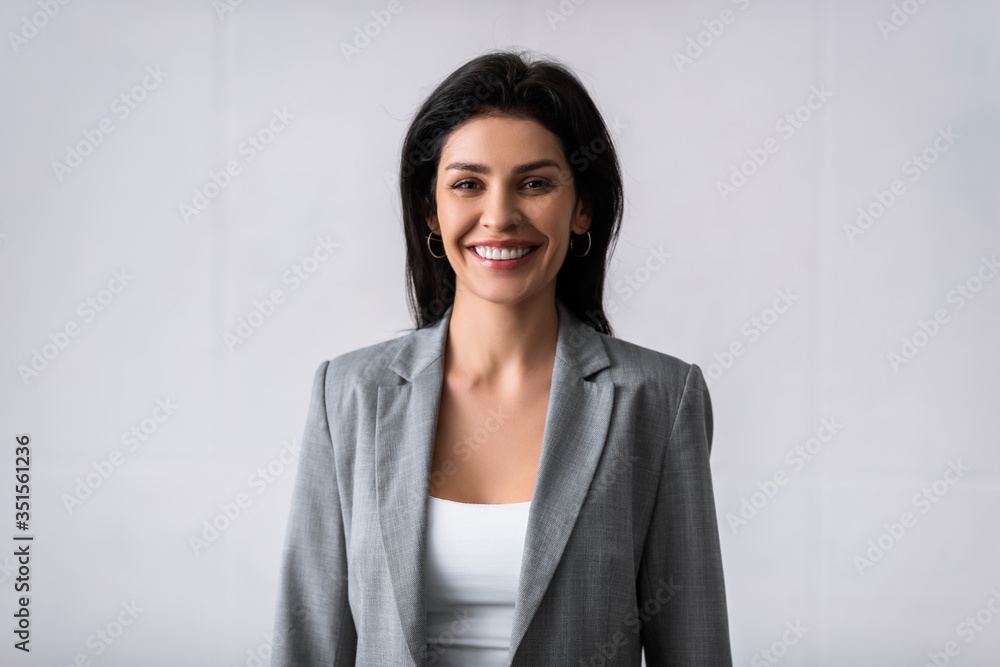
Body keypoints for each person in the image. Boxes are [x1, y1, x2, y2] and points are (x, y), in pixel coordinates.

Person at [271, 49, 733, 666]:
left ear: (583, 208)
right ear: (431, 211)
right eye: (468, 184)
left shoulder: (658, 399)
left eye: (535, 183)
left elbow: (694, 646)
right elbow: (307, 645)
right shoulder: (350, 393)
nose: (500, 216)